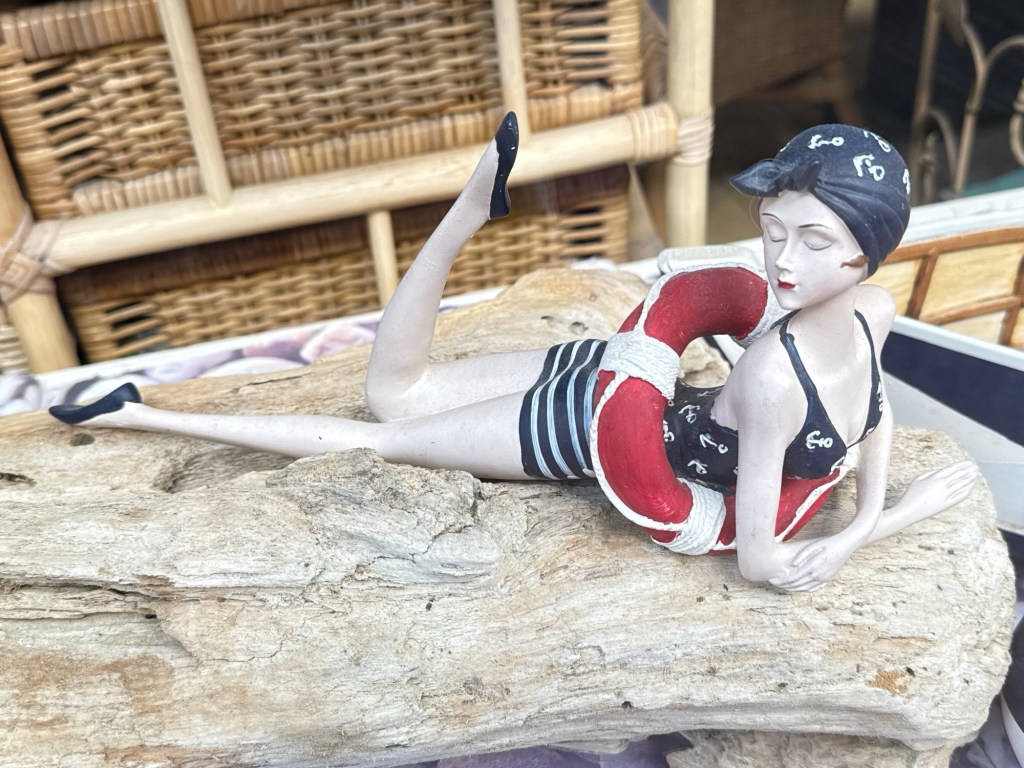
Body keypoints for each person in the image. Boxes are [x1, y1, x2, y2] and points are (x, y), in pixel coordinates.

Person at [50, 115, 978, 592]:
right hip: (609, 404)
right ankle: (464, 215)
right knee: (388, 409)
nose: (781, 261)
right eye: (774, 232)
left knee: (390, 416)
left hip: (621, 425)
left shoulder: (873, 312)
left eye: (814, 242)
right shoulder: (775, 373)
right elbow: (772, 561)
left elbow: (860, 430)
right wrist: (879, 520)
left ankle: (140, 412)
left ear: (868, 254)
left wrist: (877, 508)